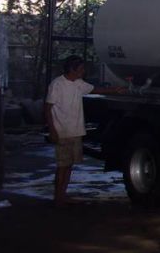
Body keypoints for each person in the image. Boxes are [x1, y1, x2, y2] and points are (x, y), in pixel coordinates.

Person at [45, 55, 124, 207]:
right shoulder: (57, 84)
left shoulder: (79, 83)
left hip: (75, 131)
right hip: (63, 131)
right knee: (62, 165)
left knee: (68, 165)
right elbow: (48, 108)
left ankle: (63, 195)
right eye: (81, 69)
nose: (83, 72)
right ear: (72, 69)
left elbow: (95, 89)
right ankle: (58, 197)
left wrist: (115, 89)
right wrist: (53, 130)